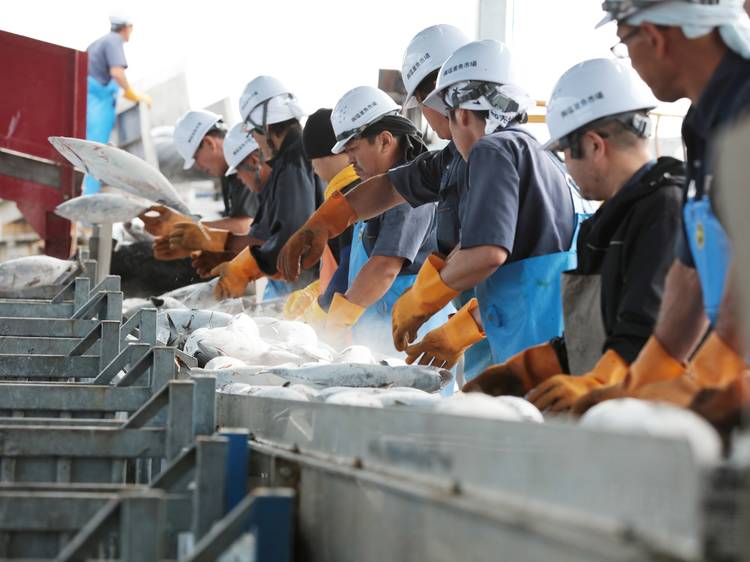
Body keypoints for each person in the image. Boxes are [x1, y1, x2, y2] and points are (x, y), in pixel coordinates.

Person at [462, 58, 685, 414]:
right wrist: (523, 372)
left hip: (658, 424)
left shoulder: (666, 212)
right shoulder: (605, 224)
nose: (565, 165)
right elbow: (589, 337)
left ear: (595, 146)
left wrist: (597, 384)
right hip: (608, 418)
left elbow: (650, 336)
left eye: (566, 152)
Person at [276, 25, 494, 375]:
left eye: (354, 150)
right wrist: (322, 224)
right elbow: (389, 190)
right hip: (456, 331)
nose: (351, 162)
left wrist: (427, 306)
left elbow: (485, 254)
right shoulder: (448, 161)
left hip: (467, 333)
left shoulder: (498, 157)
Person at [571, 0, 750, 414]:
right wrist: (642, 381)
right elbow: (690, 275)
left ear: (653, 36)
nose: (630, 61)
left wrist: (703, 384)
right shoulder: (702, 122)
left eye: (624, 44)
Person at [384, 39, 589, 374]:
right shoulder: (538, 156)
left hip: (530, 360)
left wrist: (420, 300)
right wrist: (465, 327)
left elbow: (486, 253)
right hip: (558, 351)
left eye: (448, 117)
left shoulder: (491, 150)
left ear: (461, 114)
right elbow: (534, 275)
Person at [318, 85, 453, 357]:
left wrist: (336, 322)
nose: (350, 160)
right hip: (375, 338)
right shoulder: (375, 189)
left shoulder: (409, 195)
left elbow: (385, 267)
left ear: (385, 140)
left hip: (406, 342)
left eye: (354, 149)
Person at [210, 76, 323, 300]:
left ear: (266, 126)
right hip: (304, 285)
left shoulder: (294, 162)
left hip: (312, 287)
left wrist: (245, 265)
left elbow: (291, 234)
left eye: (252, 133)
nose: (255, 140)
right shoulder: (288, 161)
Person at [283, 109, 360, 324]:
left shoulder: (351, 195)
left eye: (314, 159)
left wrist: (323, 307)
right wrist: (316, 290)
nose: (313, 168)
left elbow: (351, 268)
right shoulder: (346, 192)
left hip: (358, 319)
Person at [84, 13, 151, 195]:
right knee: (95, 152)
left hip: (87, 100)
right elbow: (117, 73)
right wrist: (132, 93)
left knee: (87, 150)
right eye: (131, 28)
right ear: (125, 28)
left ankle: (87, 196)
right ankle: (88, 204)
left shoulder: (98, 43)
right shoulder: (114, 41)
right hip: (98, 102)